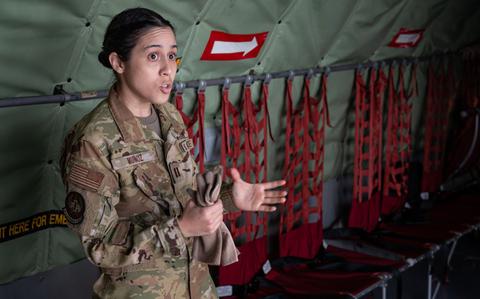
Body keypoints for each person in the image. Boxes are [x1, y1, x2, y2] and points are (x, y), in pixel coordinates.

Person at [60, 7, 286, 299]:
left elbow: (183, 198)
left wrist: (230, 199)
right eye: (153, 56)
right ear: (118, 62)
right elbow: (99, 245)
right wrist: (180, 229)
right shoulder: (94, 140)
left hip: (197, 287)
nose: (168, 68)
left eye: (172, 55)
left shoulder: (169, 116)